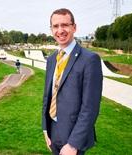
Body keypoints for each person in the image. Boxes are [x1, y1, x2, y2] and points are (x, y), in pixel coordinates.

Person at [42, 8, 103, 155]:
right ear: (51, 30)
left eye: (65, 25)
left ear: (74, 27)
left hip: (73, 136)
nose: (60, 30)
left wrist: (73, 144)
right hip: (53, 131)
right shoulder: (51, 59)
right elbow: (47, 96)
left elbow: (90, 107)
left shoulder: (90, 60)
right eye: (55, 26)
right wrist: (45, 128)